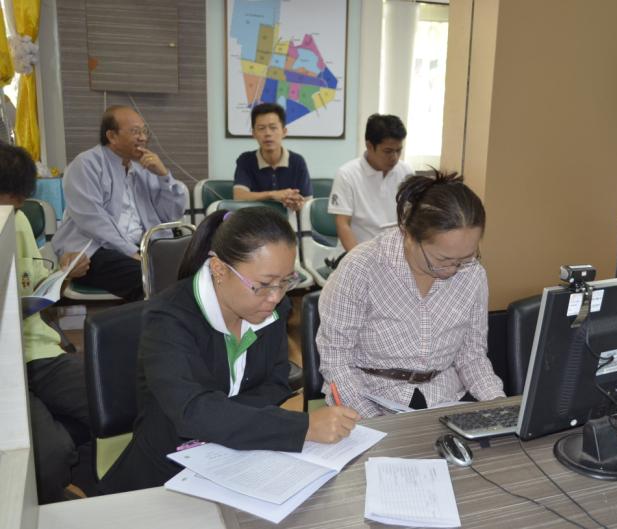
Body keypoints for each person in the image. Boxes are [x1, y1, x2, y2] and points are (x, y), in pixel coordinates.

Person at [98, 206, 359, 494]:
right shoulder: (168, 318)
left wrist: (221, 416)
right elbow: (192, 413)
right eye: (262, 285)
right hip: (167, 471)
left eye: (286, 281)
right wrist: (301, 427)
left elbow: (275, 385)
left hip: (241, 458)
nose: (275, 296)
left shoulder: (272, 309)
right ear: (219, 270)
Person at [317, 172, 506, 418]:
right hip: (371, 398)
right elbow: (336, 360)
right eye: (443, 259)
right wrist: (374, 422)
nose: (453, 269)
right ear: (409, 234)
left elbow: (472, 357)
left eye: (466, 258)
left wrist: (499, 404)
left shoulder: (473, 274)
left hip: (445, 398)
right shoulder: (363, 267)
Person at [0, 143, 92, 503]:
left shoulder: (18, 220)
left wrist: (63, 276)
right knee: (49, 456)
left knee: (116, 400)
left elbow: (36, 285)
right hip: (6, 367)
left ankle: (85, 477)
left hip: (37, 350)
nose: (15, 211)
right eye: (11, 202)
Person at [52, 105, 187, 301]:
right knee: (151, 280)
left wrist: (164, 176)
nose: (143, 138)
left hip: (142, 247)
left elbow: (171, 215)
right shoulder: (86, 164)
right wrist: (133, 253)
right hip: (95, 250)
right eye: (135, 131)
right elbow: (94, 222)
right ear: (112, 136)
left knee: (192, 272)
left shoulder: (144, 169)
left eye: (144, 131)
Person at [328, 113, 413, 251]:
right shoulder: (347, 175)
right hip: (357, 251)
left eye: (398, 150)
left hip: (396, 252)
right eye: (388, 151)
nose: (394, 157)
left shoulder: (406, 171)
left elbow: (412, 216)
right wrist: (359, 259)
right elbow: (342, 224)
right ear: (369, 146)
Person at [233, 103, 312, 211]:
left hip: (288, 220)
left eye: (273, 128)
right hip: (255, 220)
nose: (267, 133)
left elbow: (307, 204)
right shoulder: (246, 160)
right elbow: (239, 196)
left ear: (284, 132)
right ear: (253, 133)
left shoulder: (297, 161)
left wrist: (297, 204)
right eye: (261, 128)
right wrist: (273, 195)